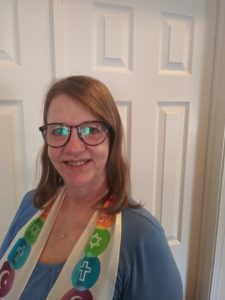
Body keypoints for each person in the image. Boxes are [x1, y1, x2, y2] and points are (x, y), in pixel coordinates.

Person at [0, 76, 183, 299]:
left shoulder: (142, 236)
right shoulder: (31, 204)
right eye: (58, 131)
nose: (74, 148)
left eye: (91, 130)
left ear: (112, 139)